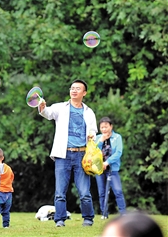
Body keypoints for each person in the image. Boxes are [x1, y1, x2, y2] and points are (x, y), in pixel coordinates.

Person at [38, 79, 97, 227]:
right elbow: (48, 113)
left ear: (84, 93)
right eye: (72, 88)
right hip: (62, 155)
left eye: (78, 88)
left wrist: (91, 135)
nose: (74, 90)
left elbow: (93, 130)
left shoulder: (89, 112)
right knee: (60, 191)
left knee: (84, 192)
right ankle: (59, 220)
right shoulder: (60, 107)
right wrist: (42, 107)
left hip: (82, 155)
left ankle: (88, 219)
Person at [95, 117, 126, 219]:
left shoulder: (117, 137)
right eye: (102, 127)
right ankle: (104, 214)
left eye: (106, 127)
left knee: (118, 191)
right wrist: (100, 141)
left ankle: (123, 214)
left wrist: (107, 162)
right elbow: (93, 152)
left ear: (111, 126)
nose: (104, 129)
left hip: (112, 169)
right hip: (100, 170)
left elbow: (118, 152)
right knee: (102, 193)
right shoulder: (98, 137)